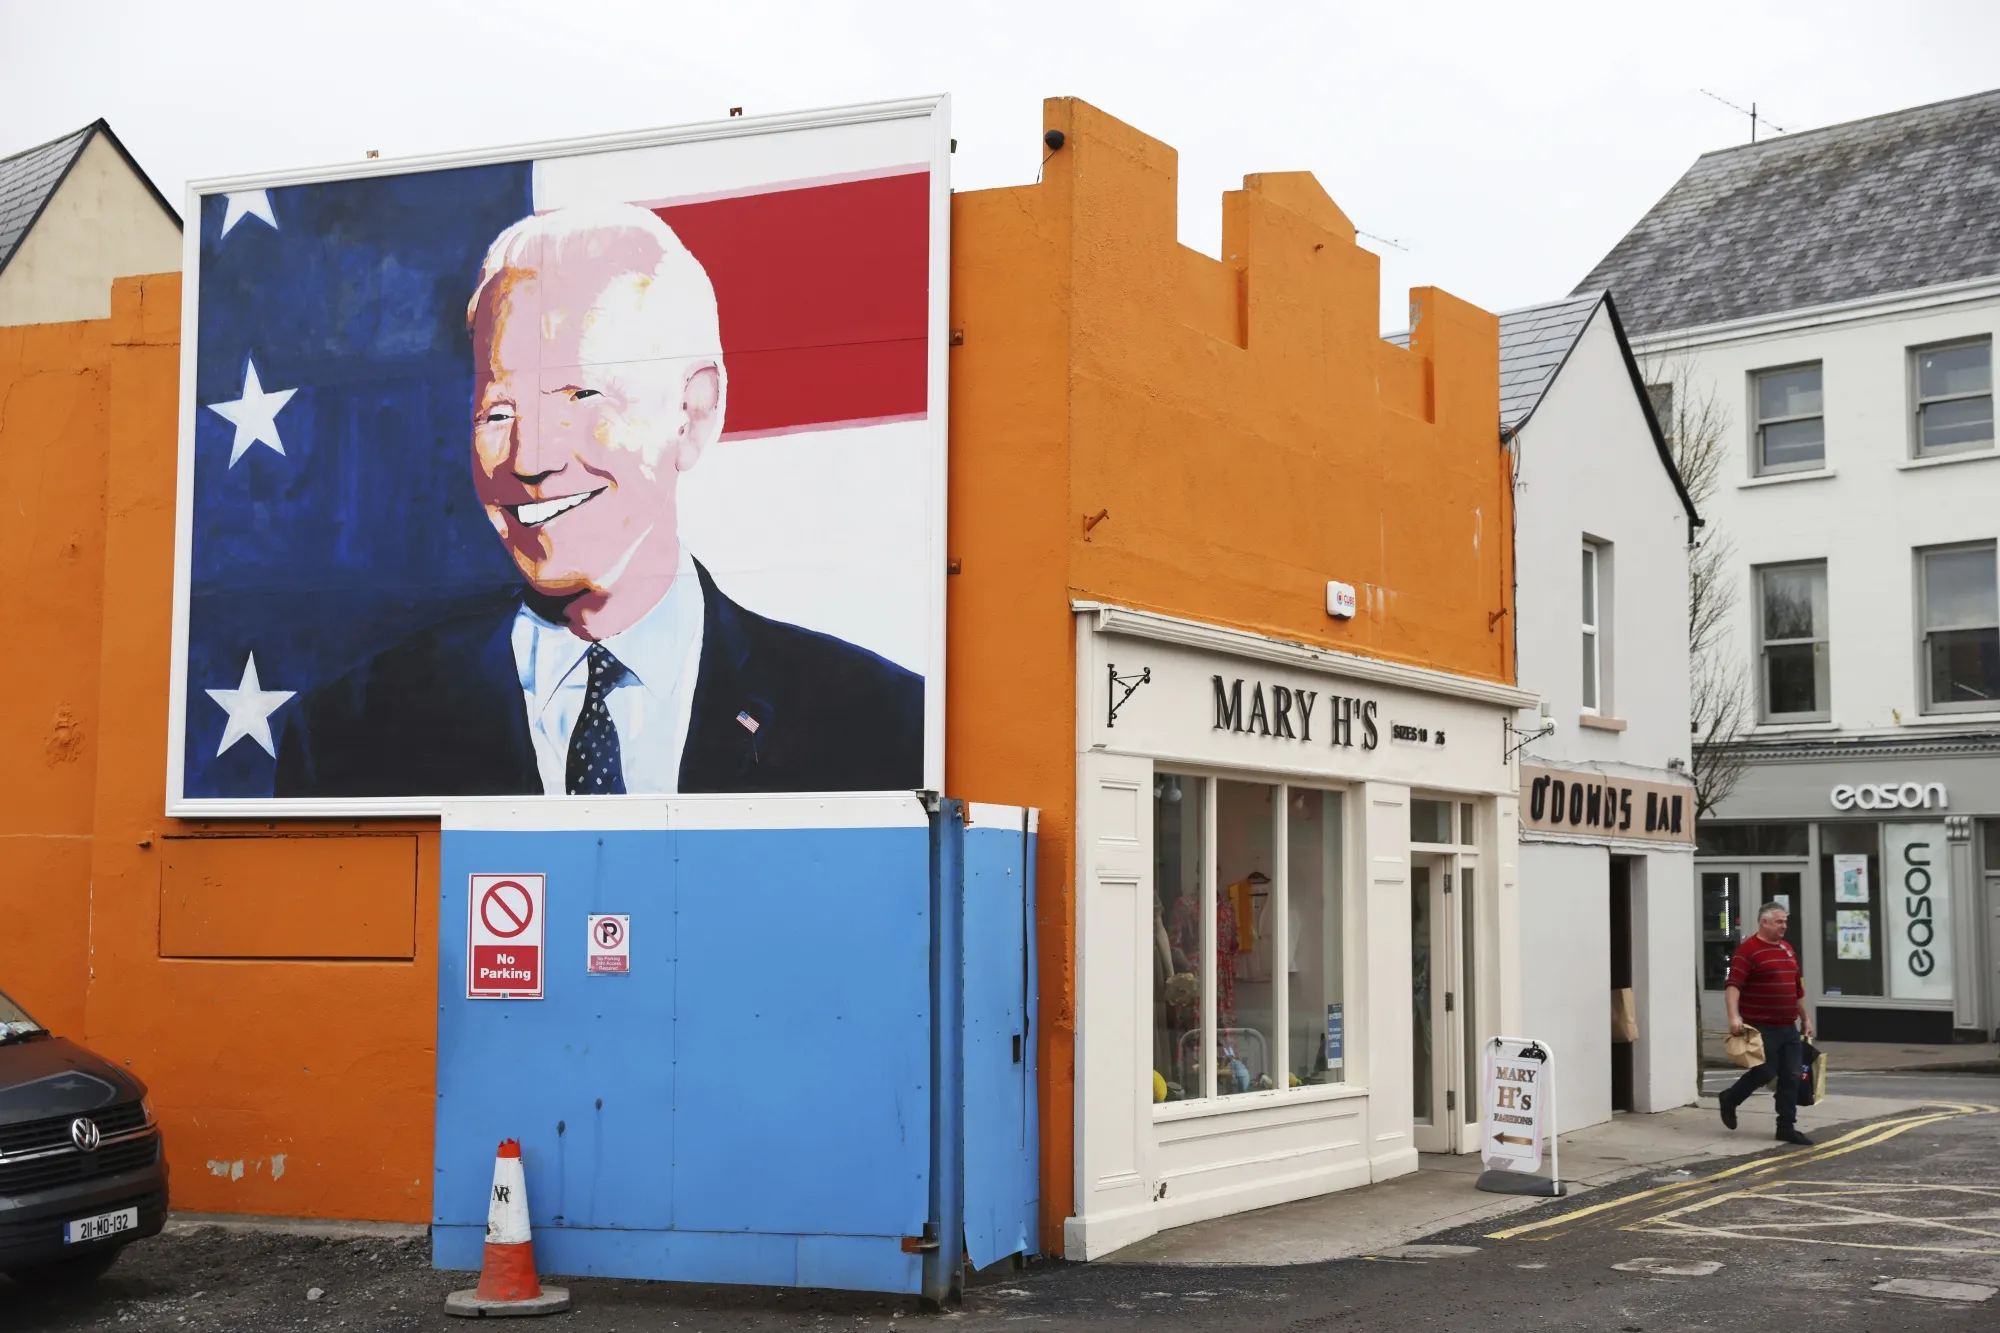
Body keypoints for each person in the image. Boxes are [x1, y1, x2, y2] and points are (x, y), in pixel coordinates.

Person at [276, 204, 922, 797]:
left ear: (693, 413)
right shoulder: (346, 736)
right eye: (498, 411)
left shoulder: (881, 724)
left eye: (580, 398)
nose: (530, 459)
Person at [1718, 901, 1815, 1145]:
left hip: (1788, 1026)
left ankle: (1786, 1127)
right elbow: (1733, 986)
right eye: (1779, 921)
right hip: (1761, 1027)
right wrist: (1734, 1016)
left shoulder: (1787, 949)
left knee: (1792, 1076)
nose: (1784, 926)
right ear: (1764, 922)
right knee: (1764, 1071)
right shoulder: (1748, 950)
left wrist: (1805, 1018)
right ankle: (1730, 1098)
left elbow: (1796, 990)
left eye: (1785, 921)